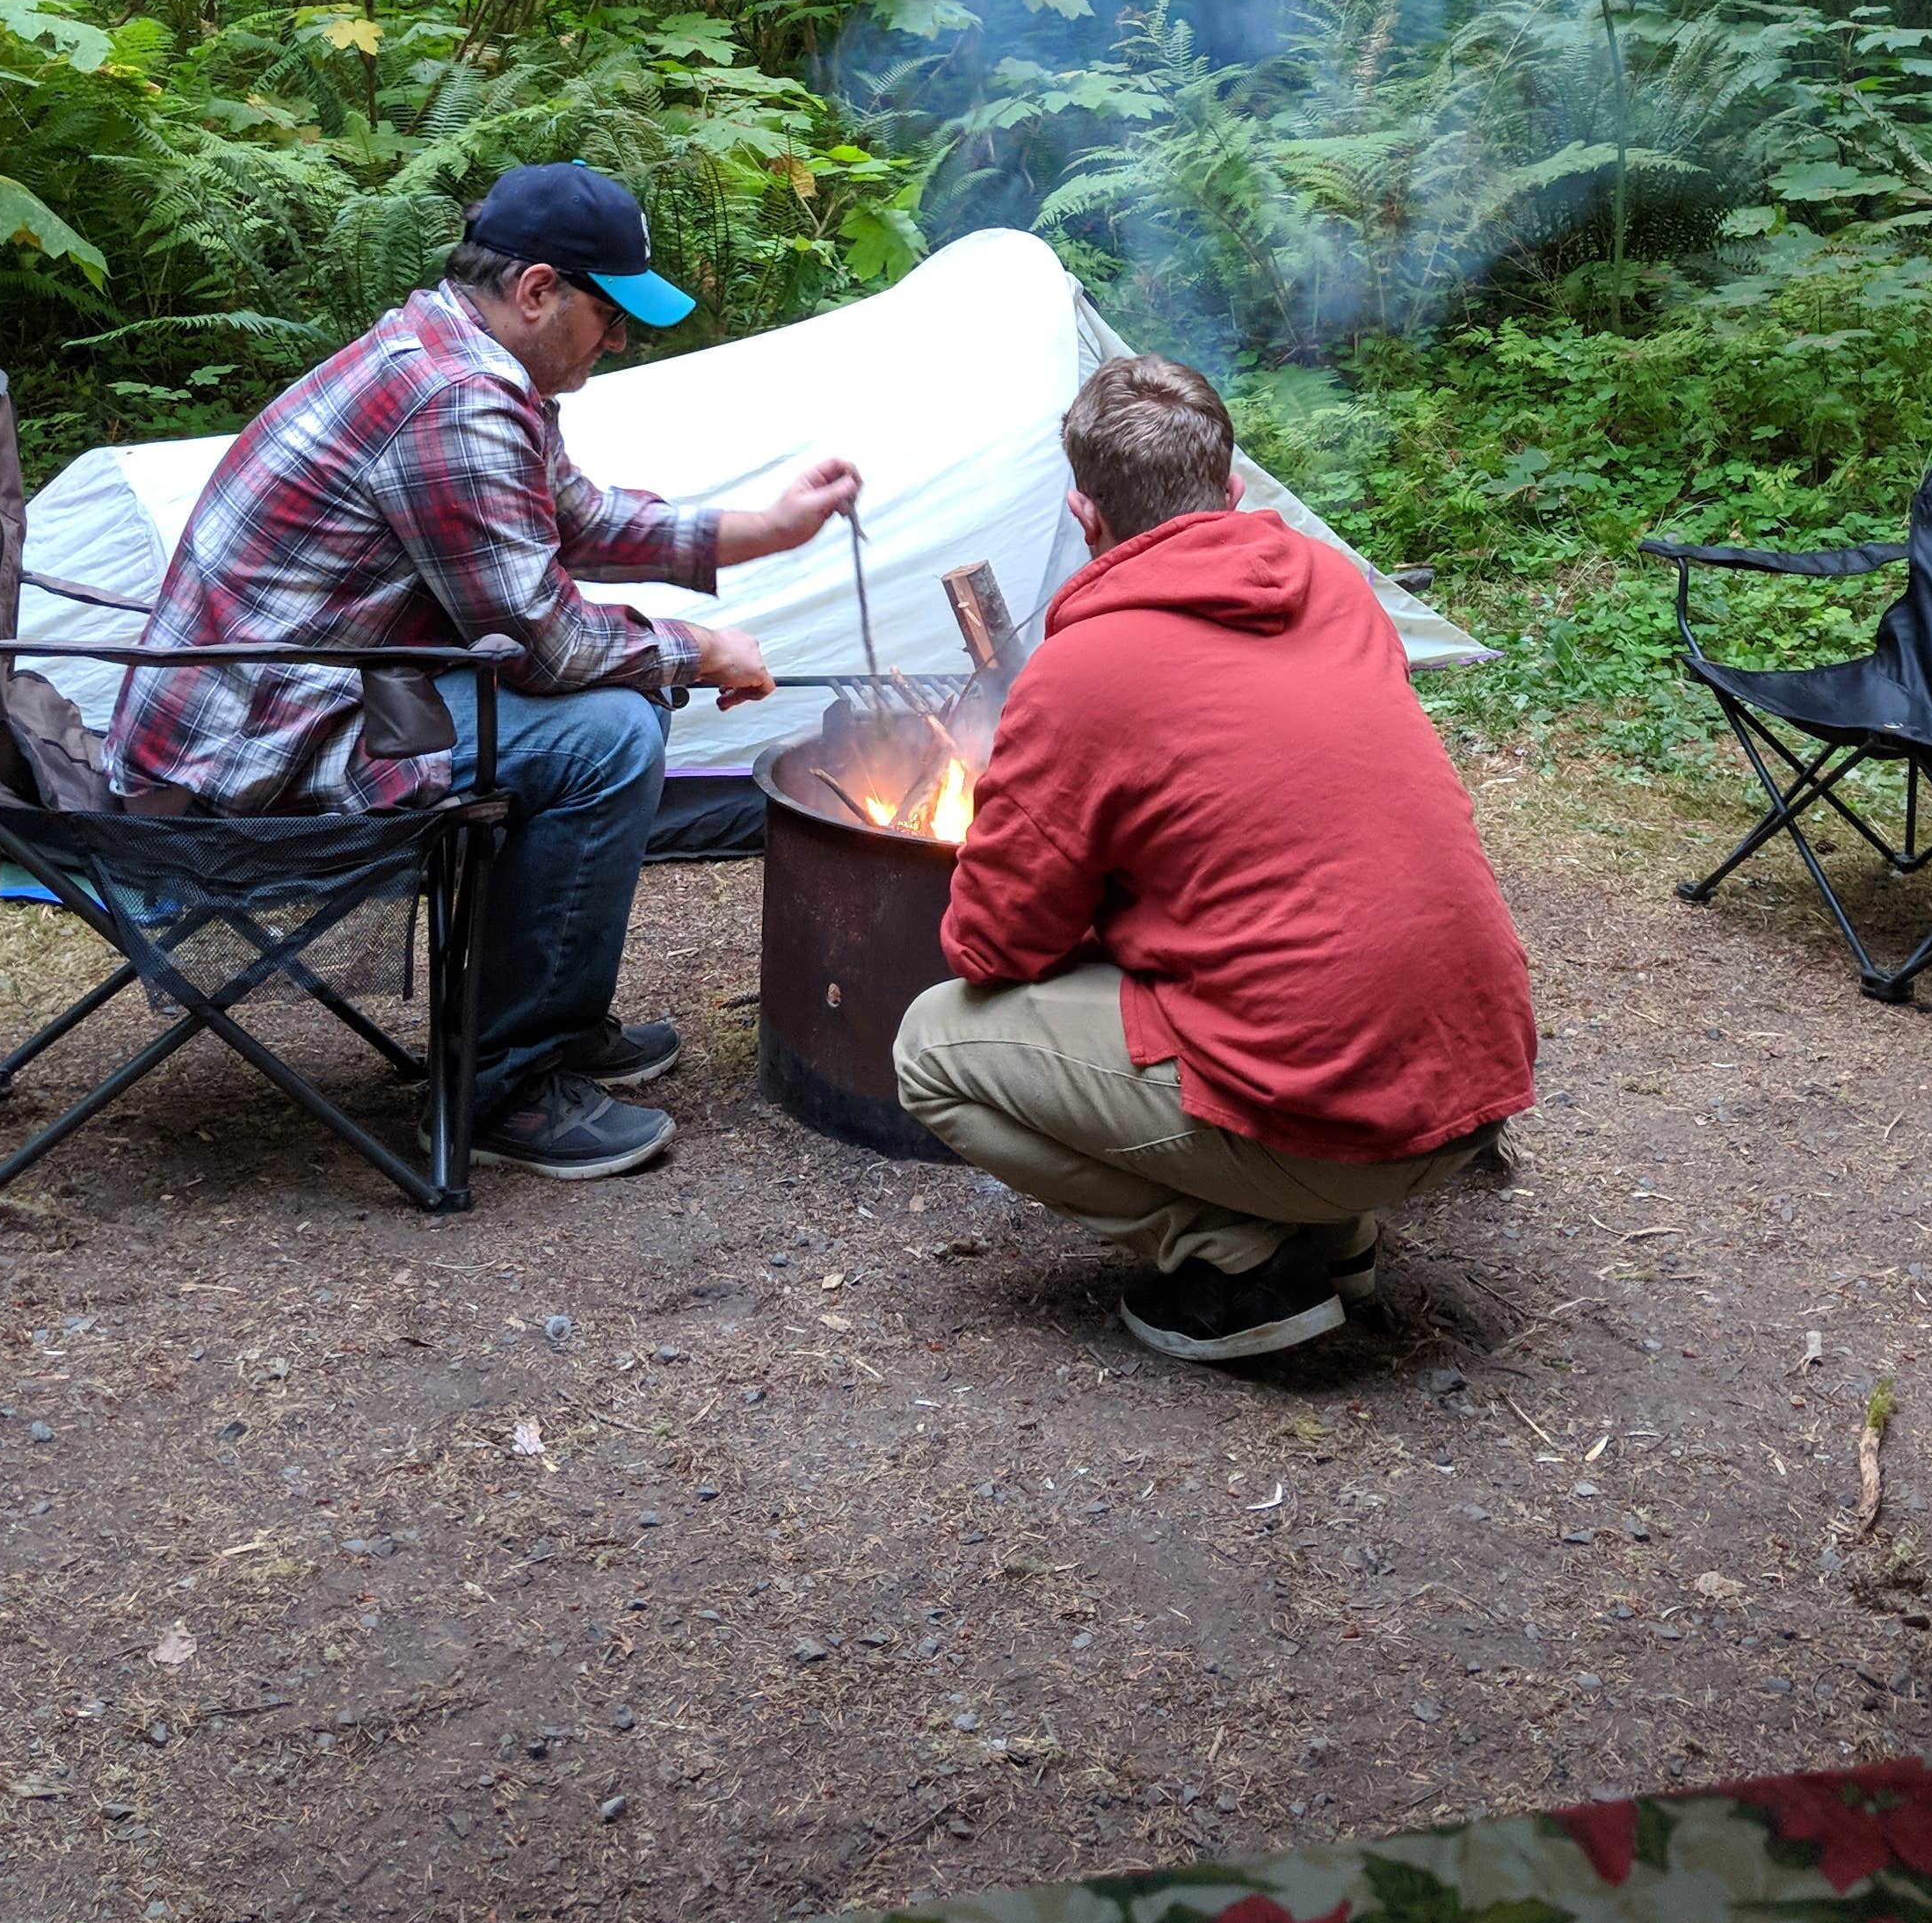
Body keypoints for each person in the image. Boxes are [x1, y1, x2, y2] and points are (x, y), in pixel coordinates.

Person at [107, 162, 857, 1180]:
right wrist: (700, 650)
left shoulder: (457, 359)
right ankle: (502, 1085)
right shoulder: (454, 396)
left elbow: (574, 522)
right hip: (249, 761)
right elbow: (543, 642)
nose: (623, 340)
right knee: (606, 733)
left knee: (612, 707)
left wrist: (763, 529)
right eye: (611, 313)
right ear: (538, 289)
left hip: (295, 706)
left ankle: (552, 1021)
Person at [894, 355, 1536, 1363]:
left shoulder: (1082, 671)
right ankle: (1333, 1234)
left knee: (932, 1049)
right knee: (1258, 947)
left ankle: (1234, 1255)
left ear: (1083, 515)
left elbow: (991, 947)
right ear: (1232, 493)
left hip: (1340, 1121)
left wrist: (1098, 908)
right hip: (1468, 1085)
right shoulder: (1336, 586)